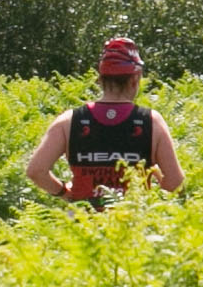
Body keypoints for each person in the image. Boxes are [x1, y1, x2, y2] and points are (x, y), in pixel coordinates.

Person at [27, 35, 185, 205]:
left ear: (100, 78)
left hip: (82, 218)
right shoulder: (152, 122)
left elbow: (36, 171)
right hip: (134, 217)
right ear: (135, 79)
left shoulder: (68, 121)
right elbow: (175, 183)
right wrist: (156, 179)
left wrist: (64, 192)